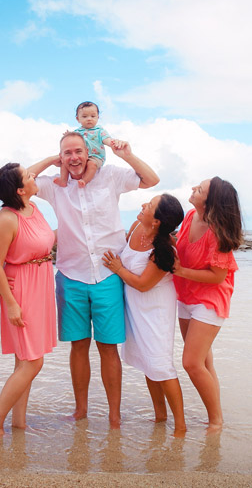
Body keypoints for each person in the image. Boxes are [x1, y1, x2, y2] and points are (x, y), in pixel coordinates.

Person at [30, 132, 159, 427]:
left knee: (107, 347)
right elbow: (19, 180)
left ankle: (114, 414)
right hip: (70, 275)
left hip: (108, 274)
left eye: (78, 151)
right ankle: (81, 410)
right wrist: (53, 159)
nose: (73, 158)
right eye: (67, 153)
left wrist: (125, 153)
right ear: (61, 157)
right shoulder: (54, 185)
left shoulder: (110, 175)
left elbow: (151, 180)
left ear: (89, 152)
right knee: (78, 345)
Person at [102, 193, 186, 435]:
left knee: (160, 364)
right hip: (136, 308)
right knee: (149, 364)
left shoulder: (165, 250)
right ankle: (160, 417)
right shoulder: (137, 226)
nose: (142, 205)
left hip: (156, 309)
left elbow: (143, 284)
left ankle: (180, 426)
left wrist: (117, 269)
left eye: (149, 205)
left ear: (158, 221)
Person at [0, 163, 57, 436]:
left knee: (24, 361)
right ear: (19, 190)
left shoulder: (33, 208)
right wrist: (11, 303)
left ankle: (19, 423)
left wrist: (54, 157)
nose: (33, 176)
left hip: (41, 283)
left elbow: (42, 241)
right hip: (22, 289)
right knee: (33, 362)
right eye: (28, 177)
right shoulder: (8, 218)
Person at [173, 177, 243, 432]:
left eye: (199, 189)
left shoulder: (218, 232)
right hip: (186, 295)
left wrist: (179, 271)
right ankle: (215, 416)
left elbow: (217, 276)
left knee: (191, 363)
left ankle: (216, 421)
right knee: (203, 361)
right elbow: (181, 249)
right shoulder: (190, 216)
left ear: (210, 201)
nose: (193, 189)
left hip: (210, 298)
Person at [54, 101, 125, 188]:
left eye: (93, 116)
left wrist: (113, 144)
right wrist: (67, 135)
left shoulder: (99, 131)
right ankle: (63, 180)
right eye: (84, 116)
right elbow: (71, 141)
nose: (89, 119)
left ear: (98, 117)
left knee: (91, 165)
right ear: (78, 119)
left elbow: (107, 139)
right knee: (64, 163)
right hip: (82, 157)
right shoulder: (77, 132)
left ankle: (84, 181)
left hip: (96, 157)